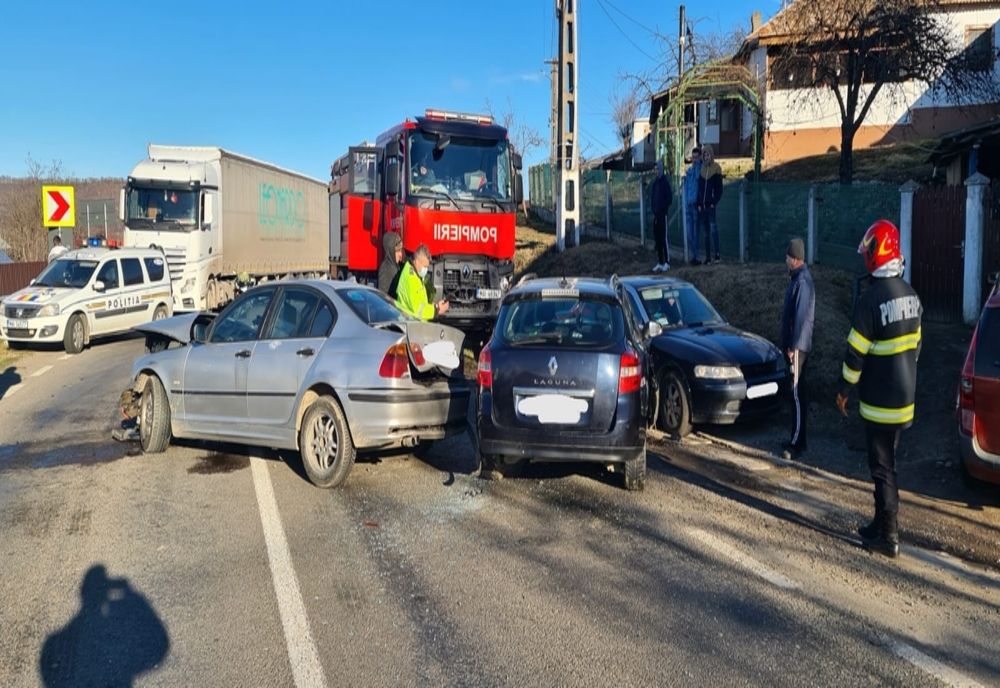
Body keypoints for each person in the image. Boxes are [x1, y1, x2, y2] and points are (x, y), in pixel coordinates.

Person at [836, 219, 922, 559]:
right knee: (886, 464)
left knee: (883, 468)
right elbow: (917, 348)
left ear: (879, 252)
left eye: (869, 250)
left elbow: (854, 354)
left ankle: (889, 535)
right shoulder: (913, 296)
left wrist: (844, 389)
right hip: (904, 401)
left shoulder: (871, 301)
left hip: (879, 403)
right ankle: (878, 523)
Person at [780, 237, 815, 460]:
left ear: (794, 258)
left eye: (787, 256)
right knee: (796, 393)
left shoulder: (801, 282)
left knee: (796, 394)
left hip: (798, 348)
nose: (785, 260)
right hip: (797, 347)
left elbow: (801, 318)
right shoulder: (799, 279)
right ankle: (797, 437)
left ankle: (797, 443)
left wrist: (793, 346)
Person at [396, 244, 449, 321]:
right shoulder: (411, 278)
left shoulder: (416, 274)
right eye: (425, 266)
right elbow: (418, 309)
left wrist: (435, 306)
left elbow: (421, 303)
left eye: (427, 267)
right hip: (410, 324)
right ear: (416, 261)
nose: (426, 269)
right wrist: (436, 309)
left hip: (414, 324)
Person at [696, 144, 723, 264]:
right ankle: (708, 257)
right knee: (705, 233)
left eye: (707, 154)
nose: (706, 157)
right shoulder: (702, 170)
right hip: (702, 206)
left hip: (711, 206)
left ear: (711, 155)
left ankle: (717, 254)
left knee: (713, 230)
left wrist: (714, 201)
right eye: (704, 155)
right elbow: (700, 189)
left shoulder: (716, 168)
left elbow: (719, 189)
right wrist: (699, 203)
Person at [650, 161, 673, 272]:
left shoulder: (664, 182)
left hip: (662, 214)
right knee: (657, 239)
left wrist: (662, 209)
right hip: (656, 214)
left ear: (660, 169)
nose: (655, 171)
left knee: (664, 238)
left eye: (656, 169)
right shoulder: (655, 183)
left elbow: (669, 198)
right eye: (654, 169)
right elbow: (653, 197)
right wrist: (654, 209)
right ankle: (660, 261)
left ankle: (667, 262)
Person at [683, 147, 703, 265]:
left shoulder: (700, 170)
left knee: (695, 233)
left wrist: (697, 165)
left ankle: (696, 257)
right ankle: (695, 255)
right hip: (688, 205)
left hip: (696, 205)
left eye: (696, 157)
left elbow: (698, 177)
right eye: (693, 157)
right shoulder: (690, 171)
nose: (694, 160)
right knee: (689, 234)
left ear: (699, 157)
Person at [378, 232, 404, 297]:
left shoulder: (396, 266)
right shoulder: (385, 270)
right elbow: (382, 297)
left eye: (401, 250)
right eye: (397, 251)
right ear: (390, 250)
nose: (400, 254)